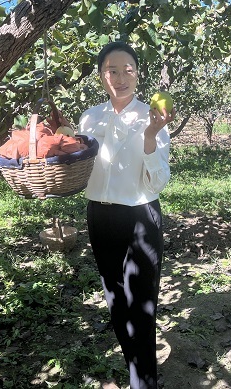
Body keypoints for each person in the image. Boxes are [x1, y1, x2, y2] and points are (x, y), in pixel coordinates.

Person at [78, 41, 175, 389]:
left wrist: (150, 136)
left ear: (137, 74)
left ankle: (143, 384)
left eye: (127, 70)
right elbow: (81, 165)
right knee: (116, 301)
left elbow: (158, 182)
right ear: (101, 76)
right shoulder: (89, 117)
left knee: (141, 307)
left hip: (140, 218)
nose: (120, 78)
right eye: (112, 71)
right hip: (99, 216)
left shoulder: (152, 116)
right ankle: (135, 368)